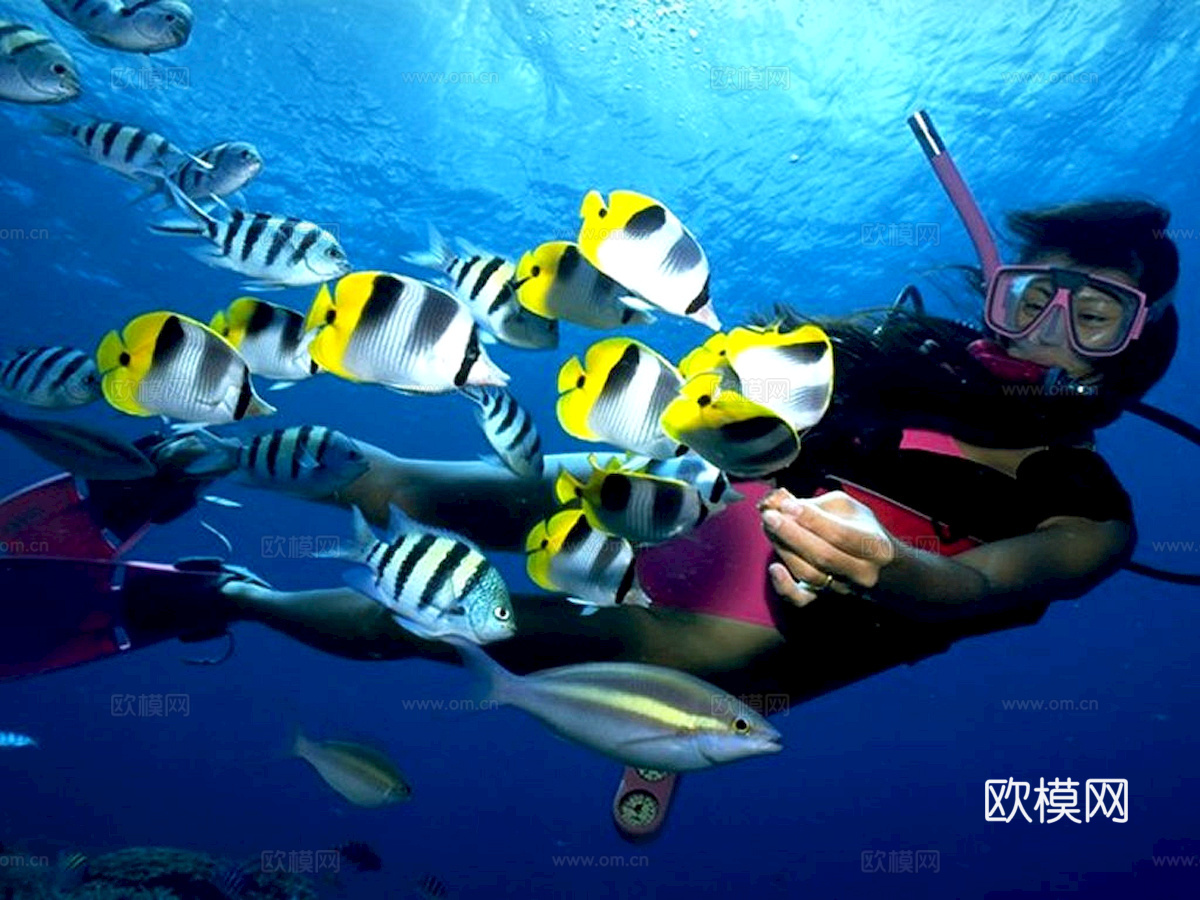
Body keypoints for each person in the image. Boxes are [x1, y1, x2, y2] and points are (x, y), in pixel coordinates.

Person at [0, 199, 1183, 840]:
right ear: (997, 287)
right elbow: (718, 383)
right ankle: (176, 462)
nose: (1048, 331)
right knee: (435, 486)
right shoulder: (889, 341)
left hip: (776, 631)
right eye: (1037, 294)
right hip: (681, 497)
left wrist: (892, 572)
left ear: (1139, 350)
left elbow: (987, 586)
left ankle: (215, 596)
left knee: (475, 625)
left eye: (1097, 317)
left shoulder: (1093, 507)